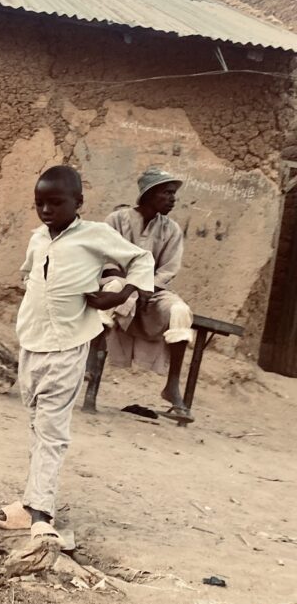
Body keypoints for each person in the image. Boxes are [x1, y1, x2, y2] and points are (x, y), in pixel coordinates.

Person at [0, 165, 155, 544]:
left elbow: (142, 260)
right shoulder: (37, 239)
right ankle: (31, 503)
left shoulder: (95, 235)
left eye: (56, 202)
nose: (46, 210)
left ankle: (42, 514)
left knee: (51, 430)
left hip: (67, 346)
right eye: (39, 203)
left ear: (78, 203)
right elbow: (33, 277)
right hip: (31, 343)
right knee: (36, 424)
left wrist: (122, 292)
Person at [95, 166, 195, 422]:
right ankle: (90, 368)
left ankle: (172, 386)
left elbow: (169, 269)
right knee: (114, 292)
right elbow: (107, 258)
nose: (173, 199)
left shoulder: (171, 229)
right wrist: (130, 286)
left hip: (153, 290)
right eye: (167, 193)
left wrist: (146, 288)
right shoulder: (116, 220)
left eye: (174, 194)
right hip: (118, 282)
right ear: (149, 193)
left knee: (180, 312)